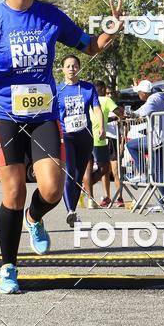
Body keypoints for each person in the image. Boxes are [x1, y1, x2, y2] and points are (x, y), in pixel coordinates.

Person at [0, 0, 125, 294]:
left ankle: (34, 217)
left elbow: (90, 46)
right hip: (2, 114)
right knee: (13, 190)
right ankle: (8, 268)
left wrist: (111, 31)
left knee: (52, 189)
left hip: (43, 114)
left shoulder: (50, 16)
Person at [56, 55, 103, 227]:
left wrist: (101, 127)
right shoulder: (58, 90)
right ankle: (70, 211)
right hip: (66, 136)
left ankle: (72, 212)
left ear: (79, 68)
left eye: (74, 66)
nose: (71, 69)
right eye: (68, 66)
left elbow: (96, 109)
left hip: (85, 137)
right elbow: (52, 114)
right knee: (69, 174)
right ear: (62, 69)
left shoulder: (88, 88)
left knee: (78, 176)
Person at [125, 79, 164, 211]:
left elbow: (140, 112)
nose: (138, 95)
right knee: (133, 146)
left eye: (139, 92)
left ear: (144, 93)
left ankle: (162, 201)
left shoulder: (153, 100)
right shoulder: (159, 99)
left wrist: (128, 113)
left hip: (159, 140)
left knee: (160, 170)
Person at [88, 81, 124, 208]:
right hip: (102, 138)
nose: (108, 95)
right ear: (103, 90)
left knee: (113, 170)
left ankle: (119, 197)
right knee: (104, 169)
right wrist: (122, 114)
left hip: (105, 138)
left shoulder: (94, 100)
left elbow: (110, 117)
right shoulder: (104, 101)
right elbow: (120, 114)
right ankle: (106, 196)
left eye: (110, 93)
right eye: (107, 92)